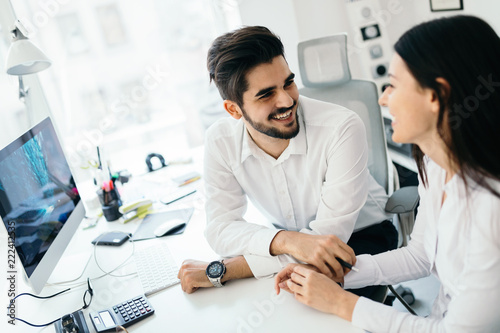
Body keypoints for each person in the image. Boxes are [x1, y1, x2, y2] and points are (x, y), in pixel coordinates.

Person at [275, 15, 500, 332]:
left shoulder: (492, 207)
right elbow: (422, 255)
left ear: (437, 95)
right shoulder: (436, 168)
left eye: (393, 85)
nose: (382, 99)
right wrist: (341, 272)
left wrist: (341, 303)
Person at [178, 26, 398, 294]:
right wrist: (286, 240)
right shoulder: (220, 141)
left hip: (362, 237)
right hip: (292, 242)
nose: (287, 100)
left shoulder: (342, 126)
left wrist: (225, 270)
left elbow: (326, 241)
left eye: (288, 83)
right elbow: (220, 228)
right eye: (266, 94)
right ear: (234, 109)